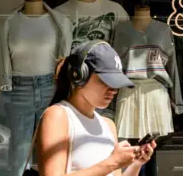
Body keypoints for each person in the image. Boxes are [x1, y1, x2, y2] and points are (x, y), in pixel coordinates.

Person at [35, 40, 157, 176]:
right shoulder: (58, 116)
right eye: (106, 81)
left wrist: (136, 163)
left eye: (116, 84)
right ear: (79, 76)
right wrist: (113, 163)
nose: (114, 90)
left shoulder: (109, 125)